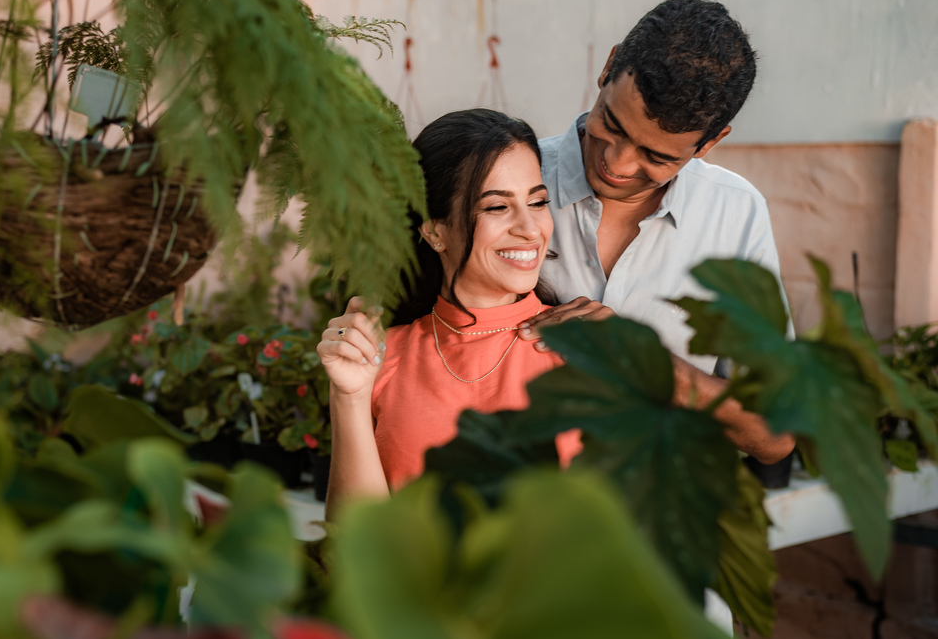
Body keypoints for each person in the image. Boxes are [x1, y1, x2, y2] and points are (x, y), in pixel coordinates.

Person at [319, 109, 793, 516]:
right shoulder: (381, 360)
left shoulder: (587, 358)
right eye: (496, 207)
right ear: (435, 231)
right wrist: (349, 396)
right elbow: (358, 547)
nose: (530, 228)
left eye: (539, 202)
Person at [519, 0, 788, 371]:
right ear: (609, 67)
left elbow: (771, 422)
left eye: (657, 157)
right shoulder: (508, 179)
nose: (617, 164)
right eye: (611, 125)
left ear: (710, 143)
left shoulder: (735, 213)